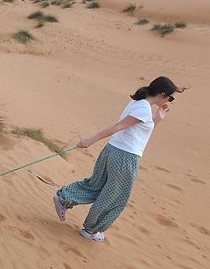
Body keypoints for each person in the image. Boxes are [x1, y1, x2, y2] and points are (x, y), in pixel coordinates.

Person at [53, 76, 184, 241]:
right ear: (162, 94)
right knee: (116, 196)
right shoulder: (143, 108)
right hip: (125, 157)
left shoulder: (138, 103)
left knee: (97, 186)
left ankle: (64, 197)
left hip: (112, 151)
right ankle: (91, 230)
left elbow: (138, 133)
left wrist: (157, 119)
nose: (169, 101)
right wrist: (90, 140)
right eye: (170, 97)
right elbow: (119, 126)